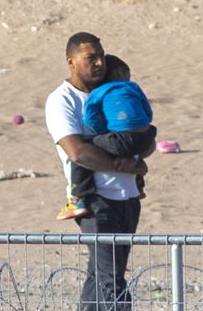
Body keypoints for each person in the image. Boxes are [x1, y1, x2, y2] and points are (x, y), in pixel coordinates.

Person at [45, 32, 160, 311]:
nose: (98, 63)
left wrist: (138, 157)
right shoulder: (61, 100)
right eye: (90, 57)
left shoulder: (113, 89)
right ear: (71, 61)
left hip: (127, 199)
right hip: (93, 201)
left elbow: (138, 133)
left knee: (101, 278)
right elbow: (78, 152)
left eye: (101, 57)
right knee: (111, 280)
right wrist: (125, 165)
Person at [58, 54, 157, 221]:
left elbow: (90, 117)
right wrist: (144, 127)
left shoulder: (100, 92)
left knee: (82, 149)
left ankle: (78, 197)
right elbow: (147, 111)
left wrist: (102, 132)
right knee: (133, 150)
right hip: (144, 136)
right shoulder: (133, 87)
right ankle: (139, 187)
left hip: (120, 139)